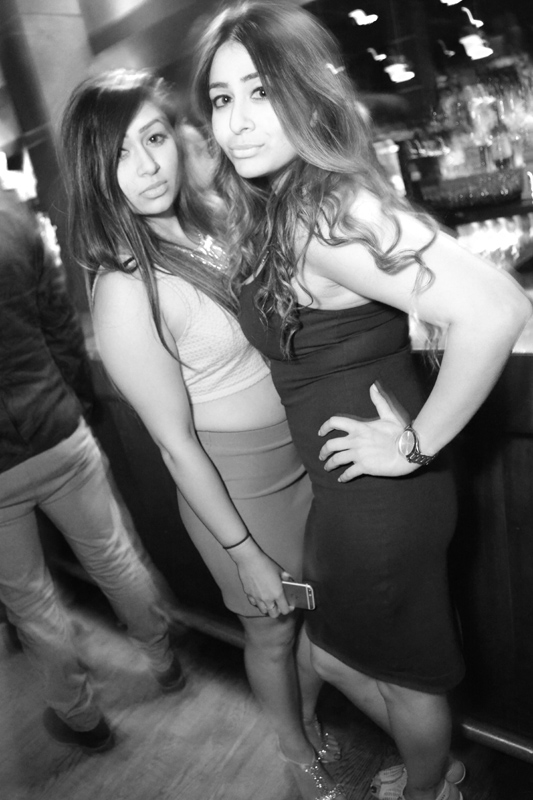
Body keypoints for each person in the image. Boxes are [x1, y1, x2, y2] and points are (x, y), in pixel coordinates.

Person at [190, 3, 533, 800]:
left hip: (380, 501)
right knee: (334, 656)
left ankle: (429, 788)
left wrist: (414, 444)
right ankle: (435, 770)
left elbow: (494, 307)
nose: (238, 120)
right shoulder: (287, 204)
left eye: (260, 92)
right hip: (348, 494)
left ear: (304, 95)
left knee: (400, 675)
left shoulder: (324, 211)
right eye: (221, 99)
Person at [59, 69, 346, 800]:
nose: (147, 166)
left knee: (317, 620)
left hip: (299, 457)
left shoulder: (214, 223)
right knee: (272, 631)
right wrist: (244, 553)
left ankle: (307, 719)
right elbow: (175, 445)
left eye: (154, 138)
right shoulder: (125, 288)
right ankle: (293, 750)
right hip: (236, 487)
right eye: (120, 154)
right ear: (94, 172)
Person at [0, 185, 185, 756]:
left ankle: (83, 719)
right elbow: (58, 322)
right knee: (112, 553)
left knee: (29, 599)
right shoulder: (11, 214)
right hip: (56, 427)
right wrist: (77, 397)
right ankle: (164, 662)